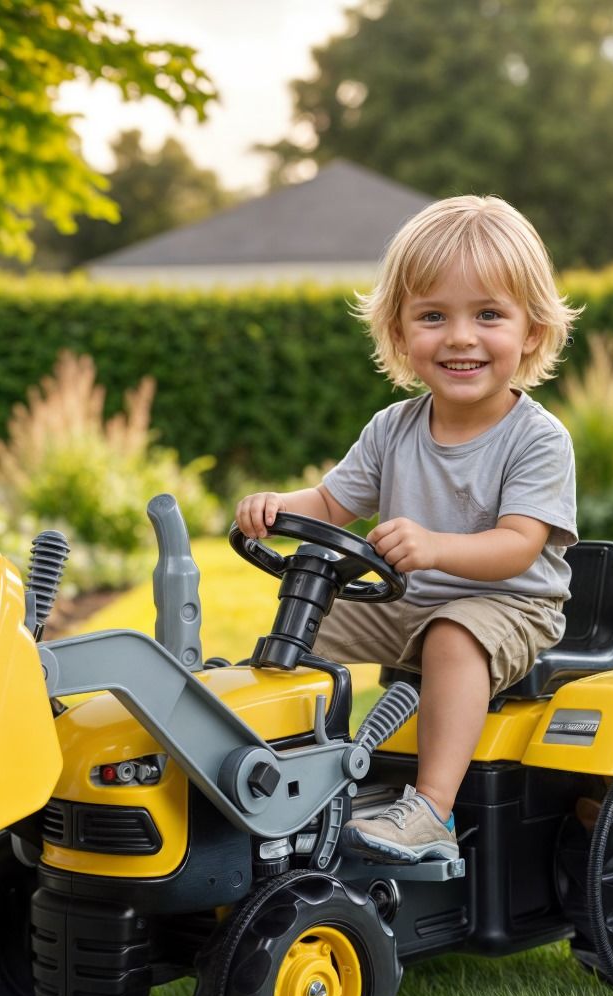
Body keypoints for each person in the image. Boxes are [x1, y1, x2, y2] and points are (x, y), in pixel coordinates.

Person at [235, 195, 580, 864]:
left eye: (488, 315)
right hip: (406, 602)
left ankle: (430, 810)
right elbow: (333, 504)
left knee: (453, 637)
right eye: (433, 316)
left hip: (511, 606)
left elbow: (519, 546)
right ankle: (290, 779)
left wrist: (435, 548)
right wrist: (280, 508)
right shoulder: (392, 429)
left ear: (532, 331)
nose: (458, 337)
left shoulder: (538, 439)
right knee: (305, 623)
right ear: (399, 333)